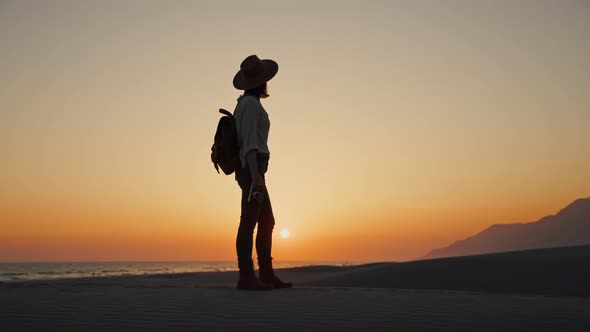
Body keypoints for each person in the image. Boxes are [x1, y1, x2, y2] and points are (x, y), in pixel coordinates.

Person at [232, 55, 293, 290]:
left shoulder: (250, 104)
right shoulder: (248, 105)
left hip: (255, 168)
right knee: (249, 222)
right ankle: (247, 276)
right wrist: (256, 174)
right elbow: (249, 142)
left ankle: (265, 274)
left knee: (266, 220)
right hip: (252, 168)